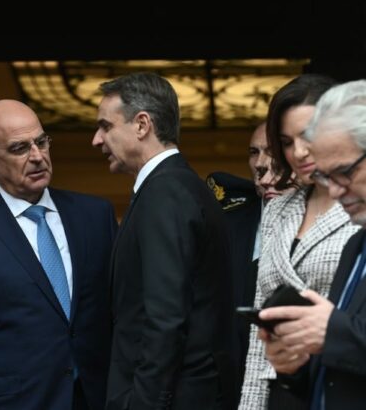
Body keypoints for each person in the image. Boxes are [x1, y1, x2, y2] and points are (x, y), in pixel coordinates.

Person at [0, 99, 117, 409]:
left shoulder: (95, 216)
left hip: (96, 398)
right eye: (20, 148)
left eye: (41, 142)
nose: (37, 156)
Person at [92, 72, 233, 409]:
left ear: (142, 125)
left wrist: (142, 403)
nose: (97, 140)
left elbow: (166, 317)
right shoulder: (180, 185)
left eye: (106, 126)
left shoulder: (164, 192)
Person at [238, 74, 360, 410]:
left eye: (308, 135)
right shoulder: (278, 209)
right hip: (280, 386)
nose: (299, 152)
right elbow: (259, 332)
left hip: (342, 384)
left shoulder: (359, 207)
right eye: (286, 142)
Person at [205, 121, 290, 407]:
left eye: (272, 151)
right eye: (254, 152)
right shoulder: (228, 220)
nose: (261, 163)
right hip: (230, 380)